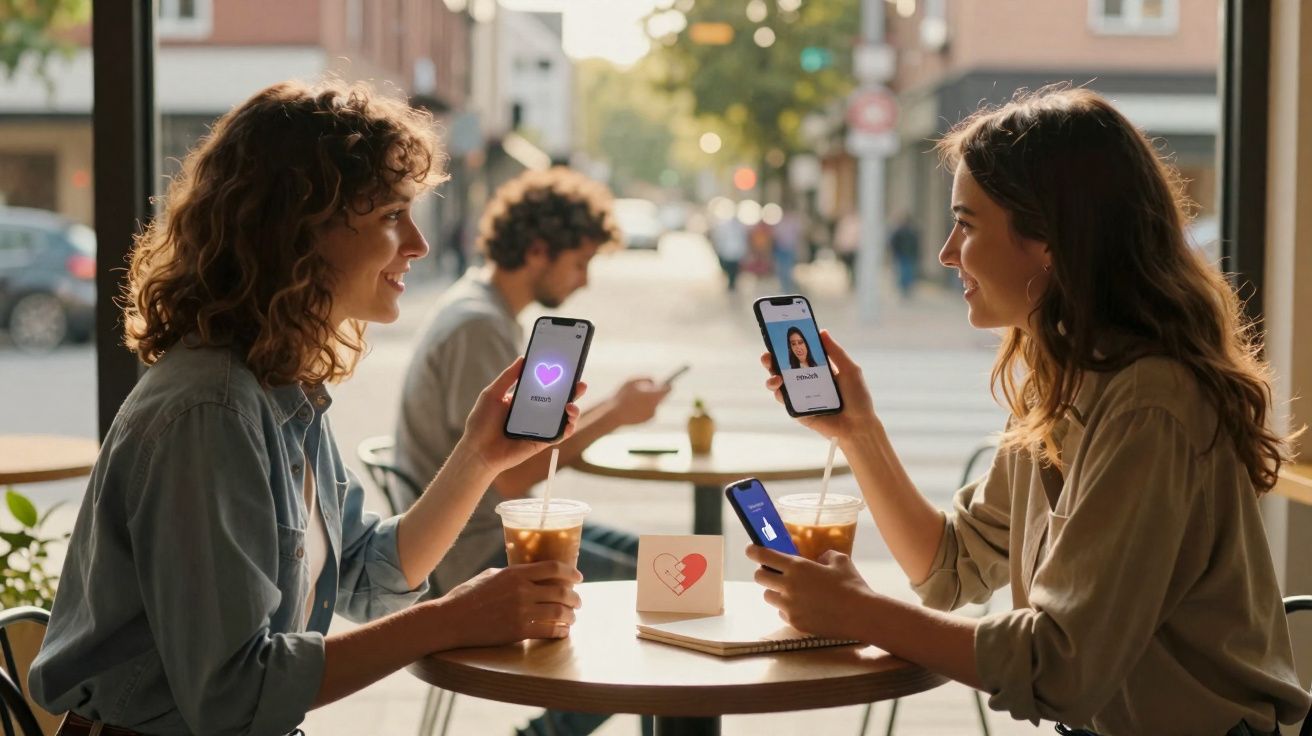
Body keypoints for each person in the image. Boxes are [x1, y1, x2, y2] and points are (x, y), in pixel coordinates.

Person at [28, 80, 587, 736]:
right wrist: (451, 620)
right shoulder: (212, 413)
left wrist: (479, 455)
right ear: (298, 230)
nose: (419, 244)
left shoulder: (275, 387)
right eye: (389, 216)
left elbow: (368, 574)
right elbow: (234, 693)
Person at [748, 86, 1311, 736]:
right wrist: (859, 432)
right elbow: (951, 568)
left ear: (1049, 239)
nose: (946, 252)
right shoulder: (1068, 379)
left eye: (968, 222)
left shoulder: (1152, 401)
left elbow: (1058, 668)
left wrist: (862, 613)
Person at [394, 166, 669, 736]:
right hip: (469, 551)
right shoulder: (480, 327)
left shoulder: (483, 307)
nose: (585, 280)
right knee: (669, 591)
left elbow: (523, 452)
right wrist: (614, 415)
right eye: (580, 263)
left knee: (663, 562)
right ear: (539, 250)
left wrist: (610, 409)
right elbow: (511, 481)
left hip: (496, 530)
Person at [712, 210, 747, 291]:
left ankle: (732, 284)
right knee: (728, 268)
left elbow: (743, 240)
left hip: (736, 252)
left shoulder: (740, 227)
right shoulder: (724, 227)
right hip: (727, 252)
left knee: (734, 270)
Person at [888, 214, 921, 300]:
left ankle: (905, 288)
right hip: (903, 255)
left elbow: (916, 244)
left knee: (906, 272)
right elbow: (894, 243)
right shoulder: (903, 232)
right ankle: (904, 289)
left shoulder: (907, 232)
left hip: (906, 255)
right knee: (905, 272)